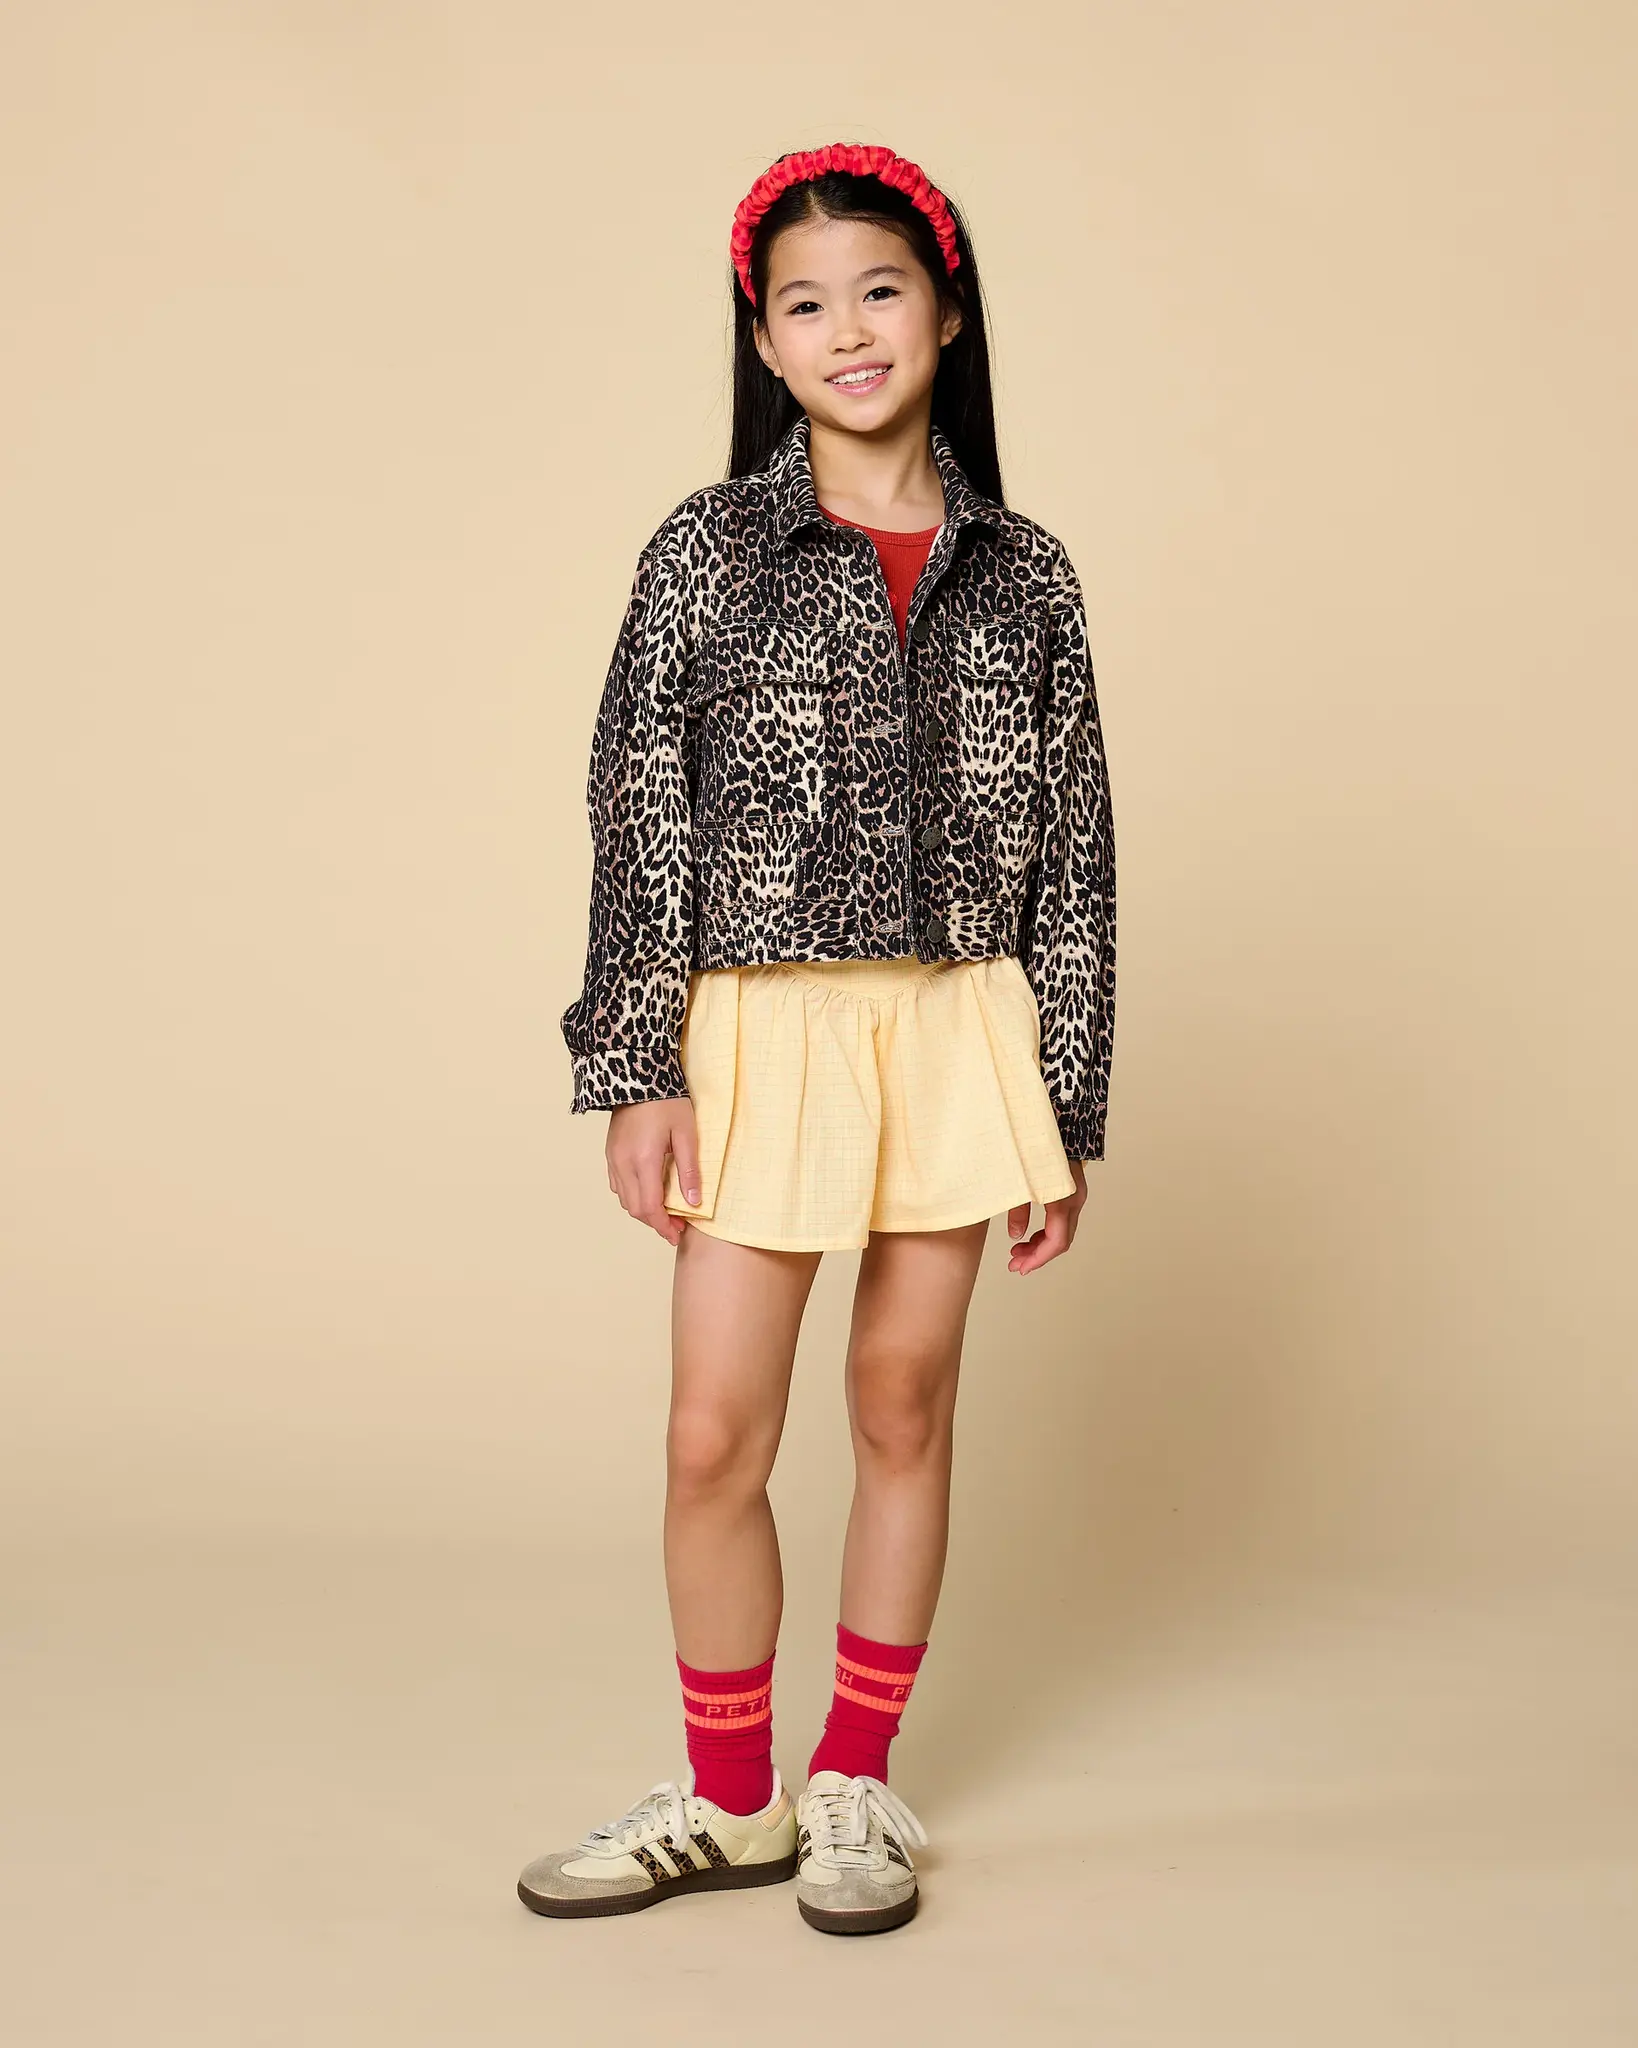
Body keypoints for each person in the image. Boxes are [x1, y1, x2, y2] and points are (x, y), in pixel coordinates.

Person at [518, 142, 1116, 1935]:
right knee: (714, 1433)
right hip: (757, 1027)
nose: (846, 329)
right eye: (803, 304)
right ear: (764, 344)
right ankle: (729, 1802)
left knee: (900, 1401)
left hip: (955, 1023)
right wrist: (636, 1063)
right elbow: (639, 807)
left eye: (877, 290)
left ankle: (853, 1782)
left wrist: (1064, 1100)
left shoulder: (1028, 574)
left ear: (946, 312)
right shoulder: (705, 551)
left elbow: (1078, 847)